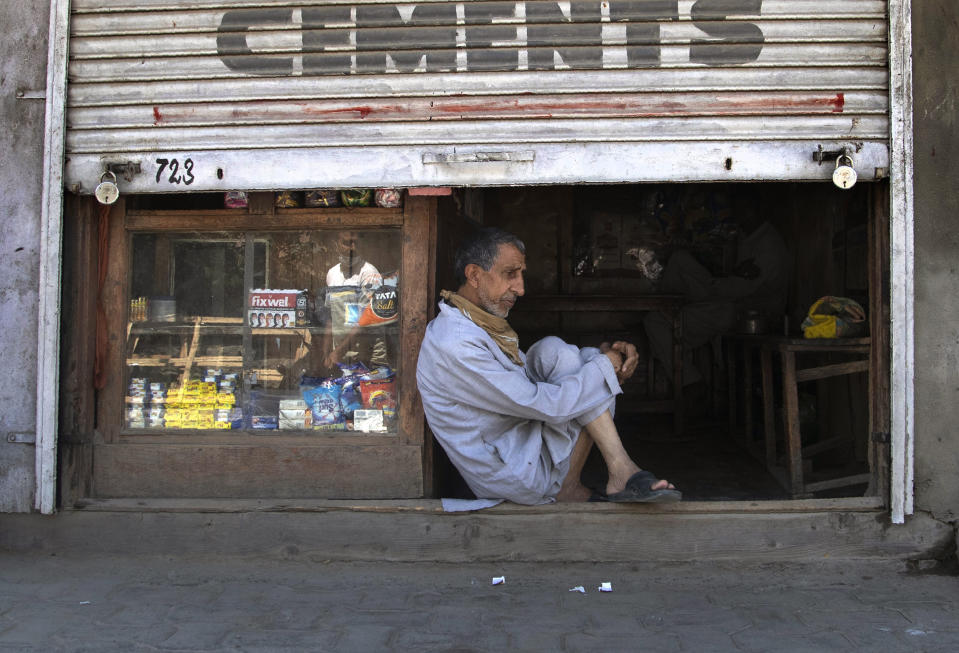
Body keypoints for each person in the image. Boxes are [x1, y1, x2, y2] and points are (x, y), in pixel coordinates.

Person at [416, 227, 680, 505]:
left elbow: (537, 378)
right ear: (474, 275)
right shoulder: (455, 343)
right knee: (587, 374)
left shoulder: (475, 322)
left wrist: (602, 358)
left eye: (521, 274)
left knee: (553, 351)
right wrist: (605, 365)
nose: (520, 288)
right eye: (510, 274)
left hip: (523, 445)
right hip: (514, 473)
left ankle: (597, 476)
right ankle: (620, 471)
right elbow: (547, 406)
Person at [643, 199, 789, 388]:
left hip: (742, 312)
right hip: (727, 300)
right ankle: (670, 307)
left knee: (655, 321)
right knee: (680, 260)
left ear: (754, 211)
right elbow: (737, 280)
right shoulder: (750, 237)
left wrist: (716, 283)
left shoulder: (768, 246)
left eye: (741, 211)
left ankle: (691, 384)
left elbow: (740, 289)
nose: (737, 216)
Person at [322, 231, 387, 369]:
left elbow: (365, 320)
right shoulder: (332, 274)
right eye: (346, 243)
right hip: (342, 354)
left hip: (367, 355)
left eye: (355, 243)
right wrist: (326, 352)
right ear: (336, 245)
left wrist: (338, 351)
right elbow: (330, 317)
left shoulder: (370, 273)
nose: (352, 247)